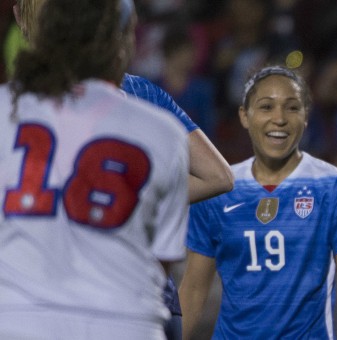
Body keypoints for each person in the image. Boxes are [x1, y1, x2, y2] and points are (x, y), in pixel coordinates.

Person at [11, 1, 235, 339]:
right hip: (128, 312)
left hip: (31, 310)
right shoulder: (153, 117)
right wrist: (138, 197)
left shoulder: (9, 110)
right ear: (122, 37)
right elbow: (217, 178)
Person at [179, 65, 337, 340]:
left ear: (306, 117)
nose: (279, 119)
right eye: (266, 107)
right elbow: (193, 289)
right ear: (244, 116)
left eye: (292, 108)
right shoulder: (219, 188)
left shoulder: (335, 187)